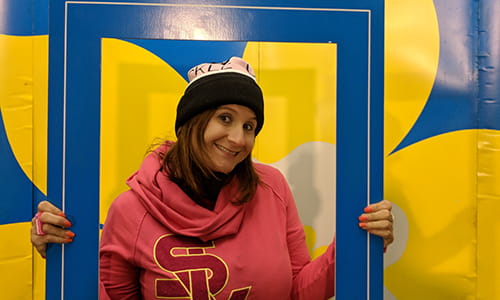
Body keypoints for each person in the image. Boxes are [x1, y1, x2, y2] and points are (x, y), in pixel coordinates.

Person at [31, 57, 394, 299]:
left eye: (249, 126)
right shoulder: (131, 209)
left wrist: (356, 244)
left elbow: (298, 289)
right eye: (225, 118)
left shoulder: (272, 189)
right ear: (192, 121)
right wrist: (64, 251)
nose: (238, 139)